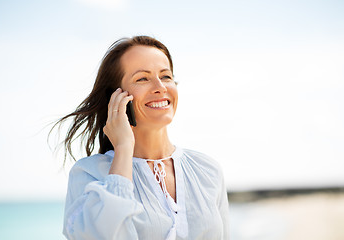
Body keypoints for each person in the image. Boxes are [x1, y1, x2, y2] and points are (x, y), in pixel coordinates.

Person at [54, 35, 229, 240]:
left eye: (165, 76)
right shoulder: (90, 174)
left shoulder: (208, 170)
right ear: (117, 97)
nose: (160, 87)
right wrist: (124, 148)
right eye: (142, 78)